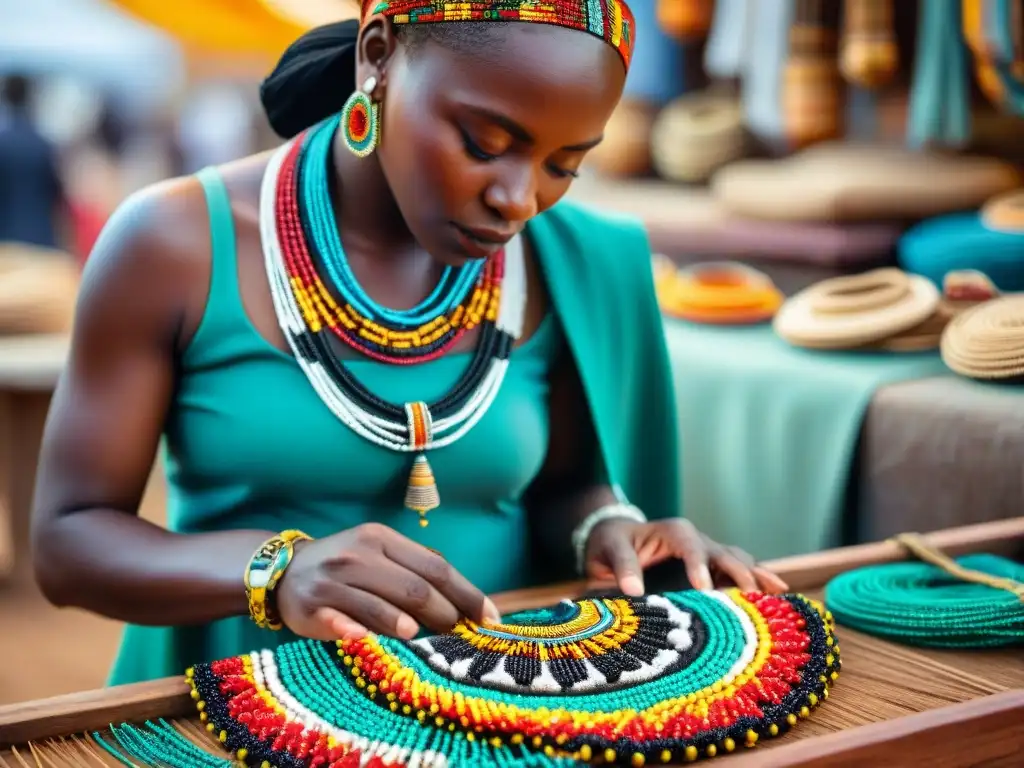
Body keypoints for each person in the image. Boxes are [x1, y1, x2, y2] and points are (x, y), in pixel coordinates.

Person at [30, 0, 787, 687]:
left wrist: (615, 531)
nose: (518, 198)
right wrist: (275, 569)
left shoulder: (573, 260)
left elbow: (561, 488)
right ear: (378, 54)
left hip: (495, 713)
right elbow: (69, 544)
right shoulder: (176, 243)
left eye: (565, 164)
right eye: (484, 142)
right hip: (229, 713)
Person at [0, 75, 66, 248]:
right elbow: (58, 194)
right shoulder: (44, 144)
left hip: (6, 241)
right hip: (41, 241)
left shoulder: (3, 143)